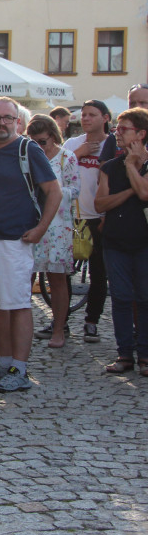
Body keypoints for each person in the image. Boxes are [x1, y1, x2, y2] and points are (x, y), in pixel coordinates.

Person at [0, 97, 61, 393]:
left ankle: (19, 368)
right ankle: (3, 362)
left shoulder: (27, 149)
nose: (1, 123)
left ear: (17, 121)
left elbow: (54, 192)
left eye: (7, 118)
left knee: (18, 304)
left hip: (13, 239)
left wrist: (41, 228)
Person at [94, 107, 148, 376]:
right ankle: (125, 354)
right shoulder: (109, 167)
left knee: (145, 297)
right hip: (115, 241)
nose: (117, 132)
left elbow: (145, 193)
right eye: (116, 128)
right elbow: (100, 203)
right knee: (121, 298)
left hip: (144, 243)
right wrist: (128, 189)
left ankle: (146, 356)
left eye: (123, 129)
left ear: (140, 134)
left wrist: (131, 167)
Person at [26, 115, 79, 348]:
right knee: (24, 277)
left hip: (58, 225)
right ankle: (21, 327)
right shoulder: (27, 156)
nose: (39, 146)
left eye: (43, 141)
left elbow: (75, 189)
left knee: (57, 279)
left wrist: (53, 191)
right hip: (30, 221)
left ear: (54, 137)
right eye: (34, 141)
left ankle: (59, 329)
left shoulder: (67, 157)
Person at [60, 100, 111, 342]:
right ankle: (62, 320)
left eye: (92, 115)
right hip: (71, 216)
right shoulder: (72, 144)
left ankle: (92, 321)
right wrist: (78, 154)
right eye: (84, 115)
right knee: (64, 272)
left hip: (97, 217)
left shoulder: (111, 145)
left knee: (99, 273)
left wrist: (105, 215)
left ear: (106, 118)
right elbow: (56, 170)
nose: (86, 119)